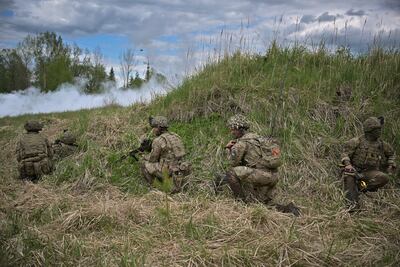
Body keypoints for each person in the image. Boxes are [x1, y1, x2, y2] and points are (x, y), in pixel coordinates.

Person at [341, 116, 396, 211]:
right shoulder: (357, 141)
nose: (380, 132)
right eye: (377, 130)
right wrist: (348, 165)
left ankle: (360, 187)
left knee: (383, 177)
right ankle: (352, 206)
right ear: (370, 130)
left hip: (369, 172)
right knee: (349, 178)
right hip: (355, 169)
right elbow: (345, 153)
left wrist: (391, 164)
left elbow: (391, 154)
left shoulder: (382, 144)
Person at [140, 116, 191, 193]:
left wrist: (144, 155)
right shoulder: (176, 136)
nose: (153, 130)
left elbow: (152, 159)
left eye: (154, 127)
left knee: (144, 163)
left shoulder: (158, 140)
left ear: (159, 128)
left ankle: (154, 187)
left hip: (168, 171)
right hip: (180, 169)